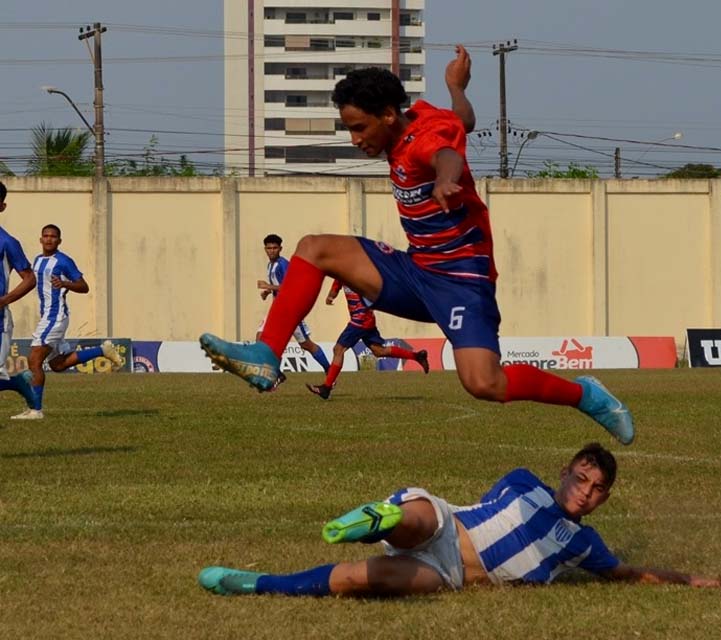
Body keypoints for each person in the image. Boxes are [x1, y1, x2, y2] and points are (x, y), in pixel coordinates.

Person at [199, 45, 634, 446]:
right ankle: (266, 355)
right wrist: (456, 88)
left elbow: (445, 154)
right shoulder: (426, 116)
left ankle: (586, 395)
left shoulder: (420, 143)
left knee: (484, 384)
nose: (354, 140)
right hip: (416, 271)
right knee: (314, 247)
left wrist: (446, 177)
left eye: (358, 128)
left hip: (463, 280)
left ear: (388, 115)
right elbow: (463, 121)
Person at [198, 442, 720, 598]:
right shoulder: (523, 481)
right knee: (422, 518)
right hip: (448, 525)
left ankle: (253, 583)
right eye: (580, 479)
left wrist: (687, 578)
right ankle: (378, 519)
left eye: (597, 489)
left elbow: (625, 574)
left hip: (448, 574)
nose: (585, 493)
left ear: (605, 499)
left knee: (359, 579)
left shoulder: (584, 546)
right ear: (563, 472)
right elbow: (479, 508)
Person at [11, 224, 123, 420]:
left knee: (34, 360)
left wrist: (65, 284)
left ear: (59, 241)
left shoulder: (63, 261)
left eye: (53, 236)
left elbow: (84, 286)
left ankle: (35, 410)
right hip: (48, 315)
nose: (49, 239)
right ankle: (102, 350)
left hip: (55, 316)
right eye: (45, 236)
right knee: (57, 364)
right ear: (40, 239)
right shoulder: (37, 260)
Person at [305, 279, 429, 399]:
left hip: (360, 319)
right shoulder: (342, 271)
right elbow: (336, 286)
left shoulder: (358, 272)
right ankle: (416, 356)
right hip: (366, 320)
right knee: (379, 351)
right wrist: (331, 296)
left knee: (338, 349)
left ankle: (326, 388)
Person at [256, 233, 331, 384]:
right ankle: (277, 374)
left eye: (275, 248)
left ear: (280, 248)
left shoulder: (283, 264)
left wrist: (267, 286)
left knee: (306, 345)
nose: (271, 250)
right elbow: (280, 286)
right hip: (277, 310)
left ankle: (329, 371)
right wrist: (268, 292)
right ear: (265, 249)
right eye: (269, 248)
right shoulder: (270, 265)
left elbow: (292, 287)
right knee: (260, 339)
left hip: (290, 310)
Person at [0, 182, 39, 414]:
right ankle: (18, 383)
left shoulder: (7, 242)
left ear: (2, 207)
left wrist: (4, 300)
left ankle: (18, 384)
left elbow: (29, 278)